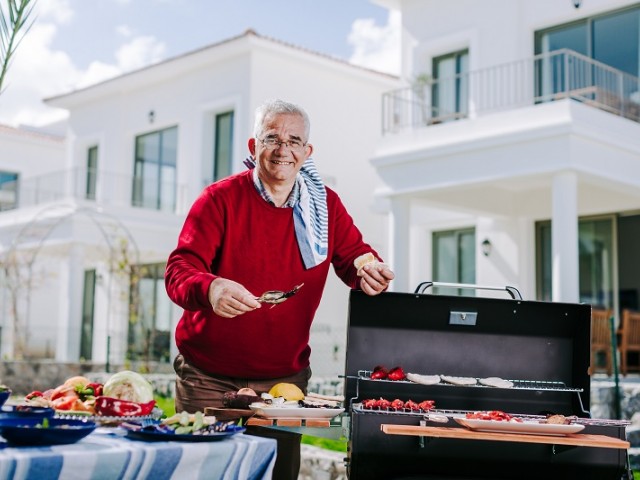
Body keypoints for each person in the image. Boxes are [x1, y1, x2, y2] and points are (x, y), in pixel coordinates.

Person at [164, 98, 394, 479]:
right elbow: (179, 269)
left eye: (294, 141)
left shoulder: (325, 205)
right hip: (208, 376)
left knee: (277, 475)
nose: (283, 149)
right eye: (272, 138)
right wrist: (212, 287)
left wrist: (369, 270)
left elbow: (355, 255)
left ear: (307, 151)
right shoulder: (219, 199)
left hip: (283, 382)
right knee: (200, 473)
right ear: (254, 147)